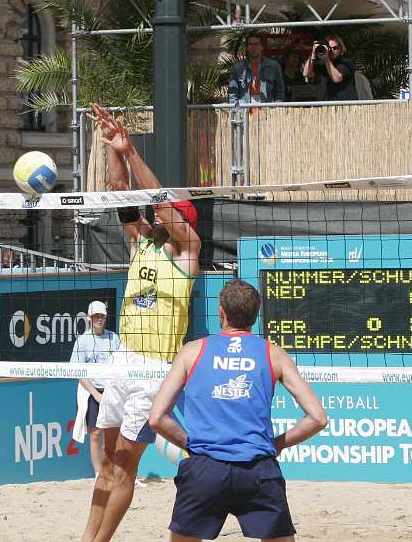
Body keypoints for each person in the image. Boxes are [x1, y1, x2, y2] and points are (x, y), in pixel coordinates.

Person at [82, 103, 202, 542]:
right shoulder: (140, 241)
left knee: (126, 466)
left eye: (167, 212)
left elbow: (162, 202)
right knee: (107, 464)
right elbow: (119, 189)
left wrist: (134, 154)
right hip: (122, 361)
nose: (155, 214)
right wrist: (114, 147)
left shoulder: (188, 252)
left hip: (154, 369)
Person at [149, 279, 328, 542]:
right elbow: (318, 418)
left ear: (221, 312)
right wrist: (276, 444)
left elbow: (156, 418)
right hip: (257, 469)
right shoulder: (274, 354)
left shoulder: (192, 351)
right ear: (255, 316)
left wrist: (192, 444)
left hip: (205, 469)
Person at [70, 301, 123, 477]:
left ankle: (114, 471)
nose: (98, 319)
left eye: (101, 316)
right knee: (95, 434)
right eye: (95, 316)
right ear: (89, 318)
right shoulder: (83, 341)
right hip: (92, 392)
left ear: (106, 317)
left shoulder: (113, 338)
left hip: (112, 391)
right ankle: (98, 474)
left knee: (114, 434)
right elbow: (78, 371)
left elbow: (121, 366)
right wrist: (95, 394)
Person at [228, 36, 285, 105]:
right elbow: (232, 94)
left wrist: (277, 107)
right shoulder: (237, 68)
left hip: (267, 110)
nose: (253, 47)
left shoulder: (273, 66)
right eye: (250, 44)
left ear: (261, 47)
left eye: (256, 44)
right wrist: (236, 111)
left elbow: (280, 91)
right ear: (247, 47)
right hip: (245, 110)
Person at [303, 35, 357, 101]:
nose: (332, 51)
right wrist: (313, 54)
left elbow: (337, 78)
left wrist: (326, 58)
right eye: (329, 48)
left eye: (335, 48)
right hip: (330, 106)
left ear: (341, 48)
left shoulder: (347, 61)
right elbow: (307, 74)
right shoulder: (326, 62)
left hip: (347, 105)